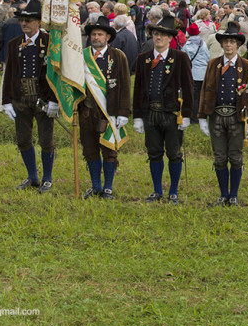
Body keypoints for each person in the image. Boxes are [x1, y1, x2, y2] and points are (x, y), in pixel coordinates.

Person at [132, 16, 194, 204]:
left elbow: (189, 87)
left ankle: (173, 191)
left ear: (170, 38)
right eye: (156, 34)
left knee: (174, 153)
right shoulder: (144, 58)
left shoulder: (180, 58)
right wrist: (137, 116)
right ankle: (157, 190)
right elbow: (138, 88)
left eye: (162, 35)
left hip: (172, 114)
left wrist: (187, 115)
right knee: (154, 152)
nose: (158, 38)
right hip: (151, 113)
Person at [0, 0, 59, 192]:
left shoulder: (49, 43)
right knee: (23, 139)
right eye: (22, 20)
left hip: (43, 99)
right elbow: (9, 73)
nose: (24, 24)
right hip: (20, 99)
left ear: (38, 22)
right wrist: (6, 100)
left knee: (46, 140)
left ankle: (47, 178)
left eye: (29, 20)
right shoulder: (13, 44)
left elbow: (56, 73)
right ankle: (32, 177)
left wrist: (54, 100)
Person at [198, 22, 248, 206]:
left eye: (232, 42)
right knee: (219, 157)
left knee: (235, 156)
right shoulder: (212, 64)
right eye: (225, 42)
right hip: (216, 116)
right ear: (222, 44)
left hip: (237, 117)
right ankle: (223, 194)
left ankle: (233, 194)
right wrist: (201, 116)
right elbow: (204, 90)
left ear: (238, 45)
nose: (228, 45)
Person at [79, 16, 131, 199]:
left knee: (109, 150)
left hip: (109, 112)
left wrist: (123, 112)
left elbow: (125, 85)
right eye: (93, 34)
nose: (96, 37)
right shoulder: (82, 56)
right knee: (89, 150)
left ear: (107, 37)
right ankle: (96, 186)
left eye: (100, 34)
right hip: (86, 111)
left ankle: (108, 187)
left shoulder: (118, 56)